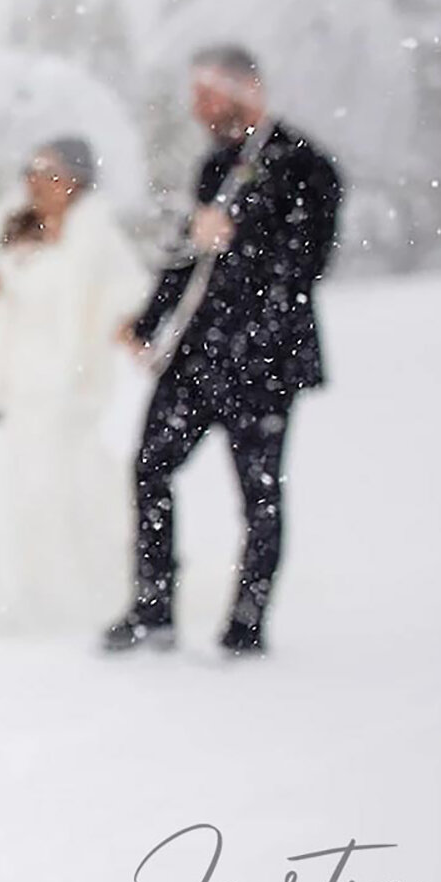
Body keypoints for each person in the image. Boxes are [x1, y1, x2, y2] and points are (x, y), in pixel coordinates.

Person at [103, 44, 341, 657]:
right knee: (150, 466)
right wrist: (149, 324)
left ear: (244, 90)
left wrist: (241, 239)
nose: (197, 107)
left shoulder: (306, 165)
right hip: (201, 355)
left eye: (207, 95)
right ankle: (152, 606)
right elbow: (189, 263)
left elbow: (306, 265)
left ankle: (247, 622)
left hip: (266, 360)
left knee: (259, 493)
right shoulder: (216, 167)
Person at [0, 136, 146, 632]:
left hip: (71, 380)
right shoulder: (12, 228)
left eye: (48, 171)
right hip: (24, 376)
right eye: (30, 169)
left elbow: (129, 294)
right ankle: (22, 588)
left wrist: (121, 324)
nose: (35, 180)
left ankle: (84, 588)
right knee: (27, 481)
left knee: (68, 478)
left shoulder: (96, 237)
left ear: (76, 180)